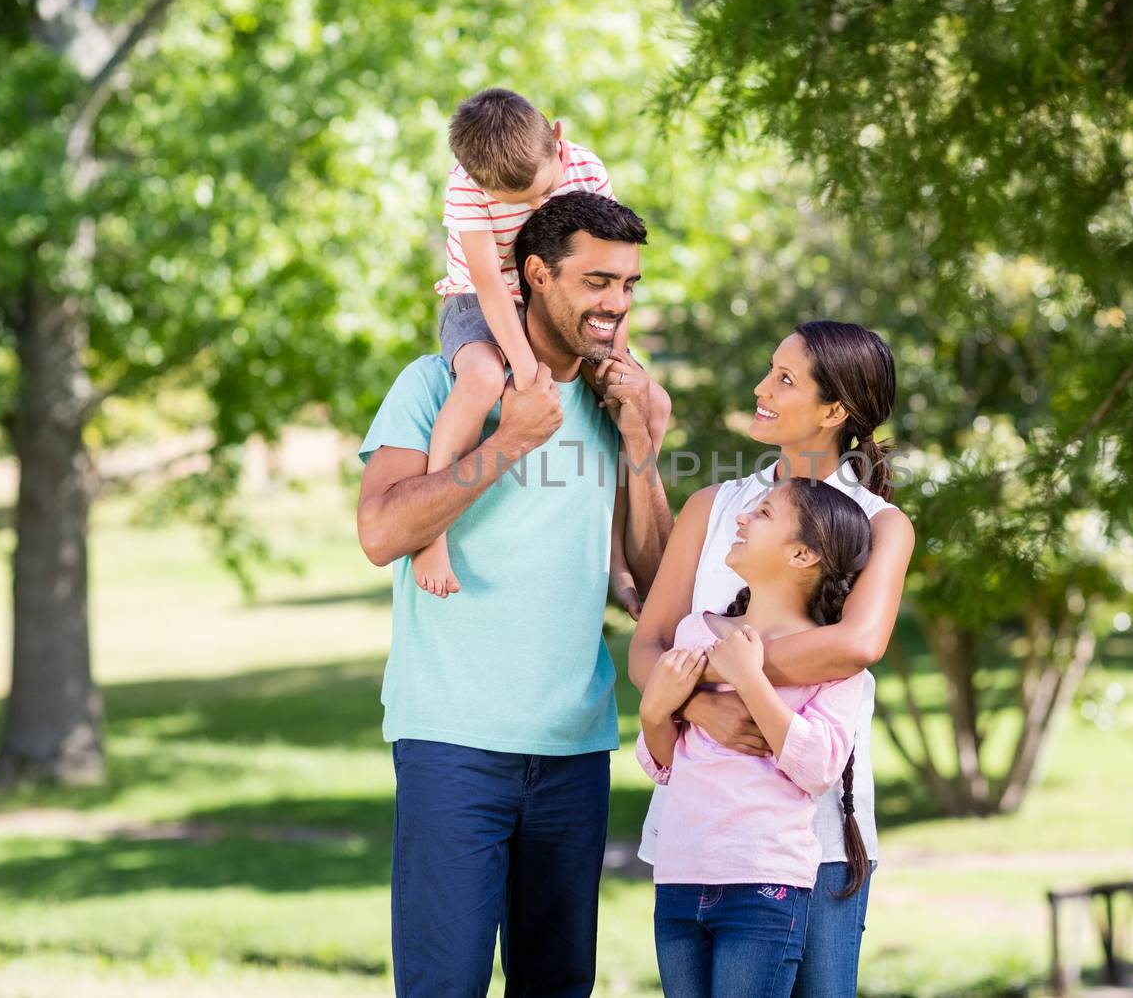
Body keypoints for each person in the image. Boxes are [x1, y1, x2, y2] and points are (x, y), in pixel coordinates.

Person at [356, 191, 674, 998]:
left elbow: (657, 578)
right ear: (534, 274)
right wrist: (507, 441)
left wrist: (639, 450)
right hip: (453, 742)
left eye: (630, 284)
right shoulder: (436, 384)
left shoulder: (615, 402)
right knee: (445, 984)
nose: (617, 303)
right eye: (598, 280)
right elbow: (382, 532)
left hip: (574, 745)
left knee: (559, 984)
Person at [629, 321, 915, 997]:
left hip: (815, 841)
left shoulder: (879, 522)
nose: (761, 389)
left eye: (785, 379)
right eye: (769, 369)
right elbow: (648, 645)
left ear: (834, 409)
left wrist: (719, 666)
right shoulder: (715, 509)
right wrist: (698, 705)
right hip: (701, 833)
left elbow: (856, 644)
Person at [417, 88, 670, 606]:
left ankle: (613, 553)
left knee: (650, 402)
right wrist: (528, 369)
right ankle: (429, 537)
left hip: (558, 301)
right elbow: (487, 280)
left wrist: (616, 354)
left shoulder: (587, 168)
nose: (535, 206)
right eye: (517, 203)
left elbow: (614, 262)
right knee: (485, 380)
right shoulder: (465, 185)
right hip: (478, 301)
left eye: (540, 190)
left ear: (556, 139)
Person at [638, 478, 874, 998]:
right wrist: (655, 711)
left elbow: (817, 768)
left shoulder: (831, 662)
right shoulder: (695, 635)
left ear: (804, 555)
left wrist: (750, 678)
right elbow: (663, 762)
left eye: (763, 514)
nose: (741, 519)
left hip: (763, 884)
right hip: (678, 877)